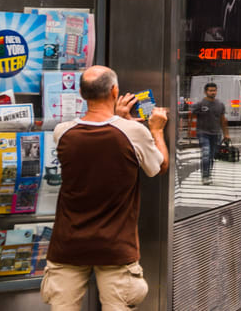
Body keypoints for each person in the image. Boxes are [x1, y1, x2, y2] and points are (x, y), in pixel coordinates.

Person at [42, 66, 168, 311]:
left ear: (81, 93)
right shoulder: (134, 132)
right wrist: (156, 131)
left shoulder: (63, 132)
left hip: (68, 244)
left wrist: (121, 119)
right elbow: (159, 166)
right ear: (114, 91)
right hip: (116, 246)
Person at [190, 82, 228, 186]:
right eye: (210, 90)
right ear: (205, 92)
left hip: (216, 134)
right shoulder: (200, 104)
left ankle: (208, 174)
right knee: (206, 154)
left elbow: (223, 120)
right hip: (203, 133)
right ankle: (205, 176)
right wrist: (190, 132)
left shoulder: (220, 105)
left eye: (214, 90)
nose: (213, 92)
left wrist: (226, 134)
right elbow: (191, 115)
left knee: (211, 156)